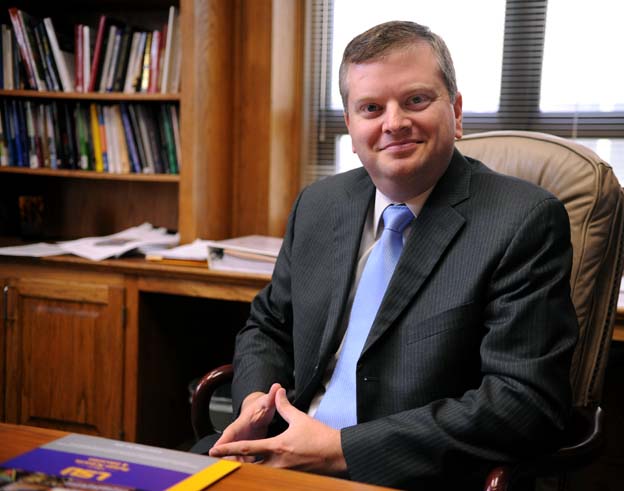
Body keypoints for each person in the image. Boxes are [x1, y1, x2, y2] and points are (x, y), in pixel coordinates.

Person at [204, 20, 578, 489]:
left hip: (399, 474)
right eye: (371, 107)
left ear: (457, 112)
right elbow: (269, 325)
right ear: (351, 125)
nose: (394, 123)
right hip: (277, 451)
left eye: (416, 100)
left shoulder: (523, 220)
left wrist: (342, 450)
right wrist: (256, 402)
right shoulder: (320, 205)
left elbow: (522, 402)